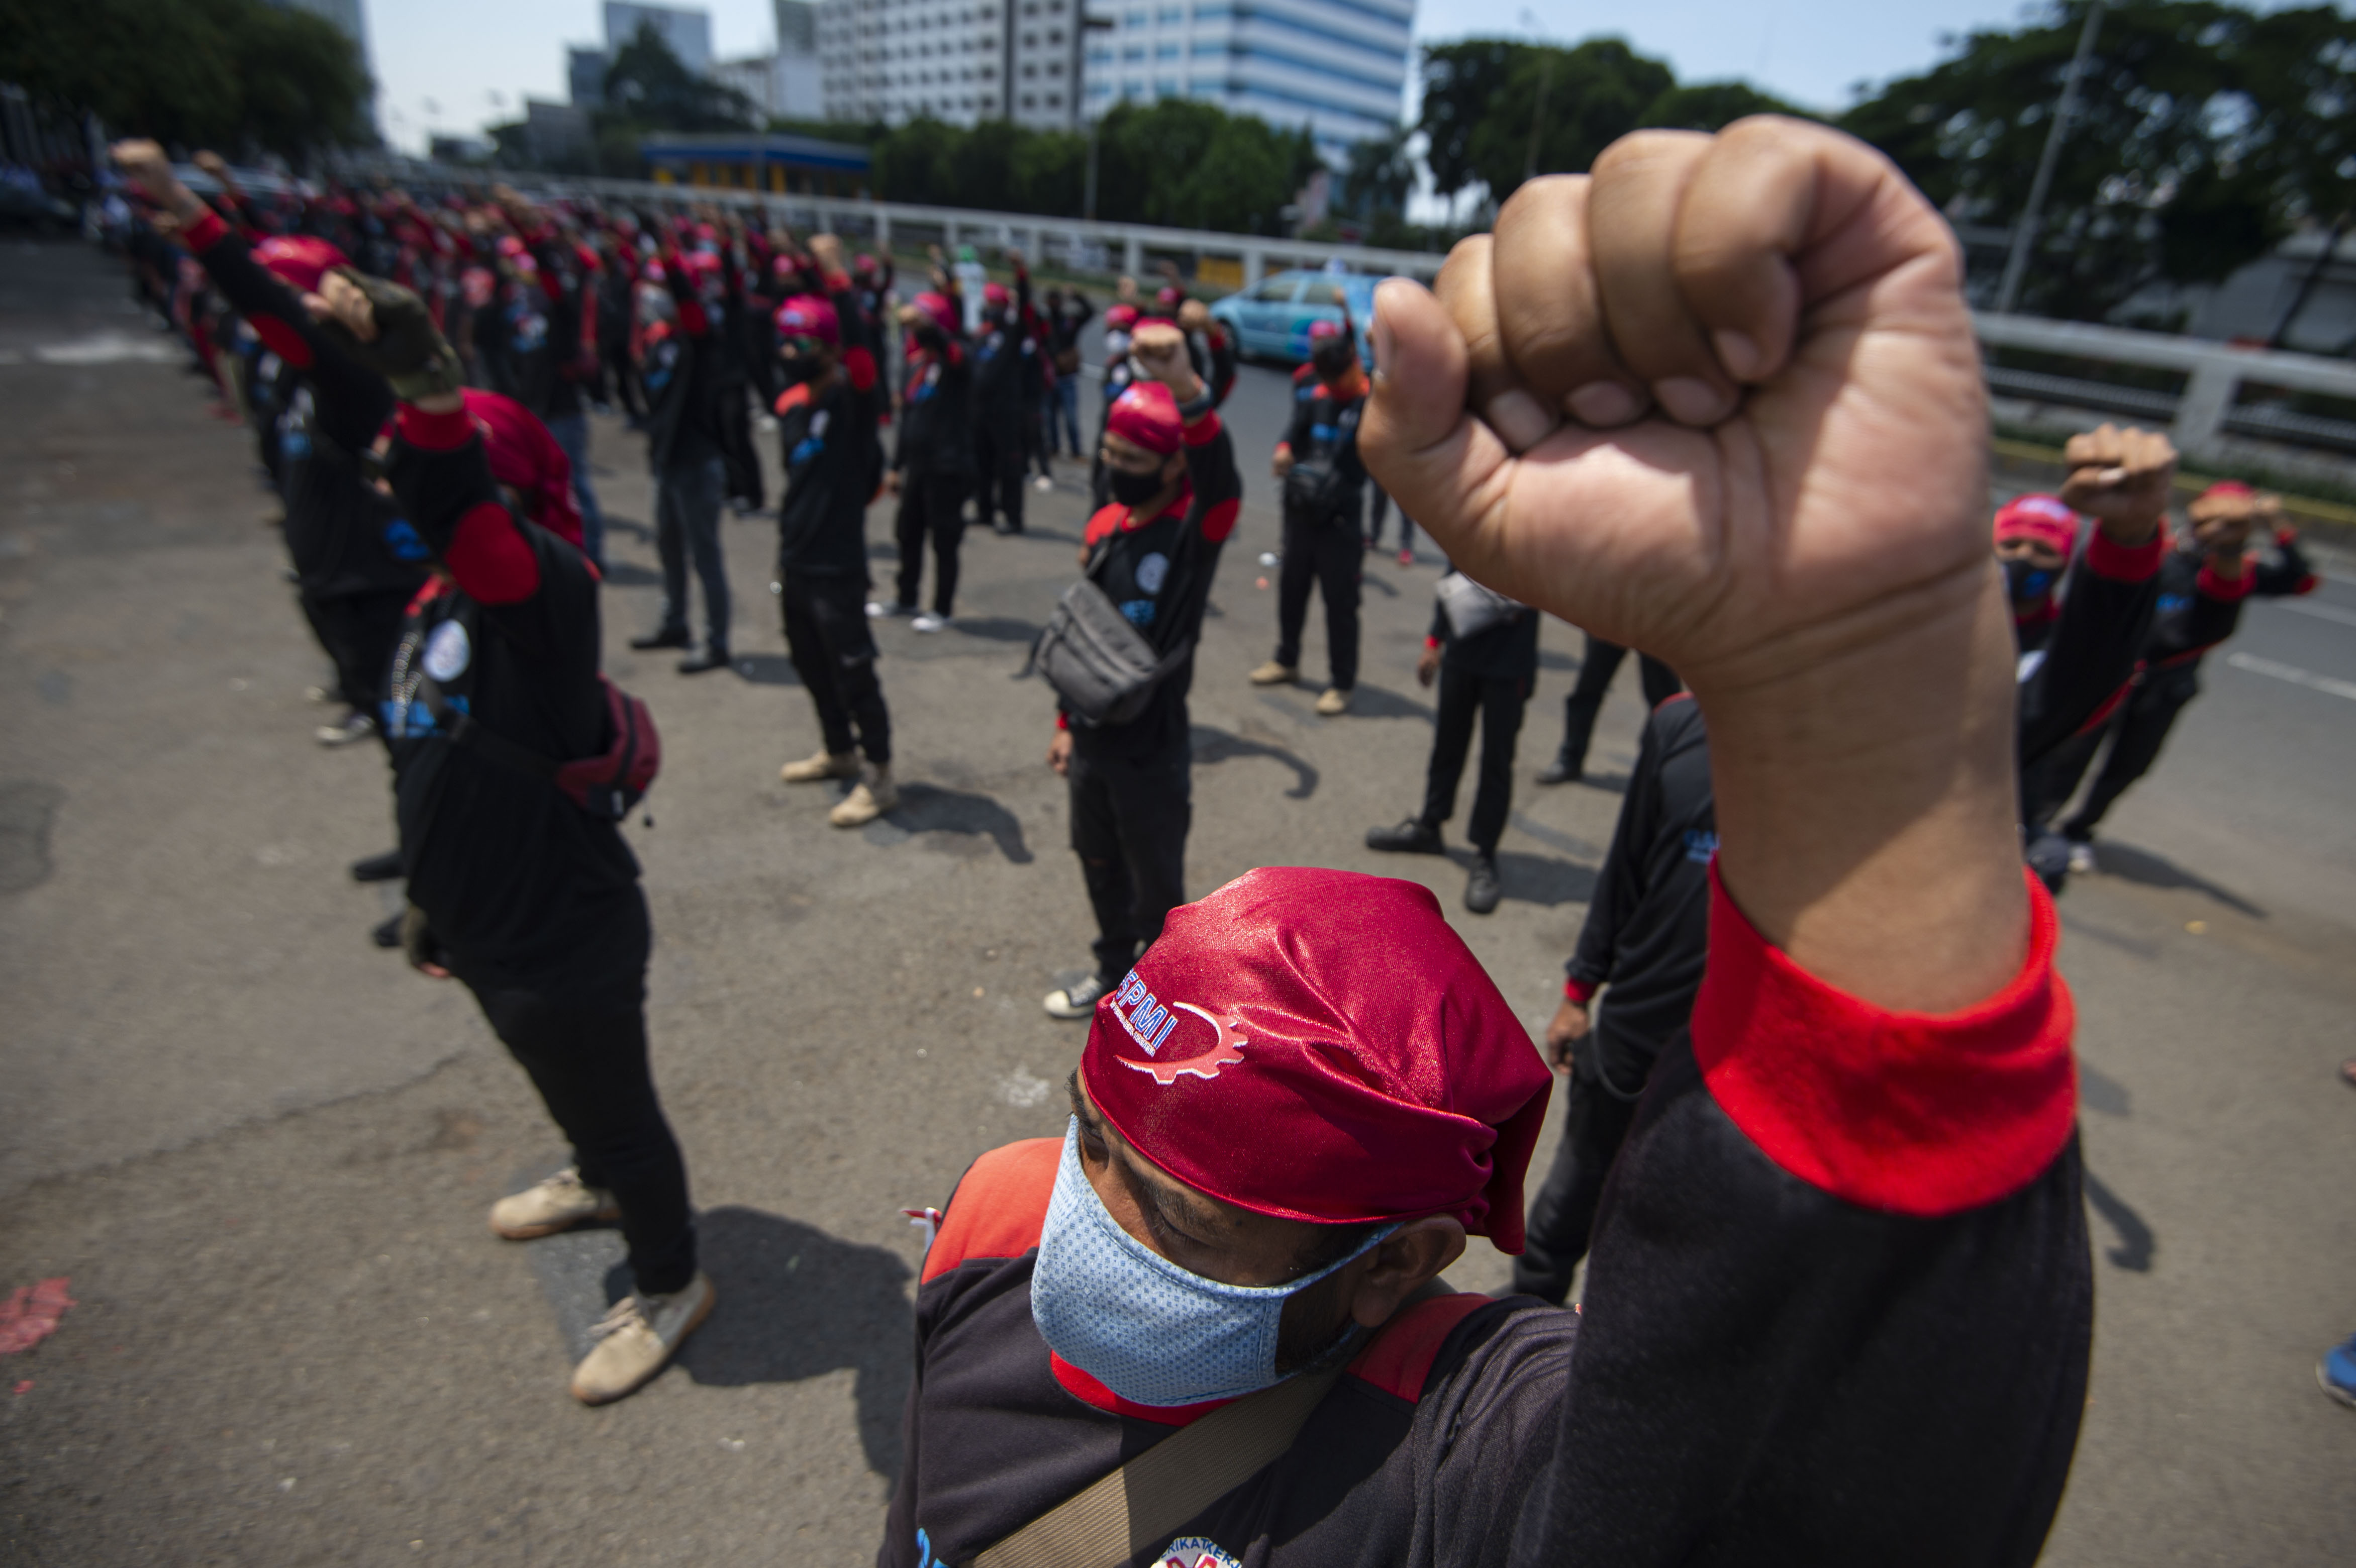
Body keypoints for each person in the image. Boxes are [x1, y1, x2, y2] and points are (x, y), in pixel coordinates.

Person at [889, 117, 2090, 1567]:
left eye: (1190, 1231)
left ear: (1395, 1266)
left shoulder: (1463, 1452)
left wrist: (1851, 684)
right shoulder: (998, 1226)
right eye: (1094, 1137)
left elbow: (1779, 1479)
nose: (1080, 1231)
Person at [294, 260, 712, 1407]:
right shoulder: (441, 597)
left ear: (504, 491)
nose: (390, 486)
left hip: (563, 934)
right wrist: (430, 892)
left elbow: (458, 510)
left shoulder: (547, 592)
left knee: (621, 1112)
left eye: (422, 471)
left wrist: (429, 386)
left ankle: (670, 1276)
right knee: (568, 1093)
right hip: (488, 923)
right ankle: (592, 1175)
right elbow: (427, 749)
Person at [121, 148, 430, 759]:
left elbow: (259, 295)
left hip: (367, 580)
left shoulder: (349, 375)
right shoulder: (295, 375)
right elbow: (254, 286)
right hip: (327, 571)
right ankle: (417, 837)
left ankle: (429, 847)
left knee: (411, 736)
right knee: (387, 722)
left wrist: (188, 206)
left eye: (300, 297)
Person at [1041, 331, 1240, 1021]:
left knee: (1157, 890)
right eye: (1111, 453)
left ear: (1170, 466)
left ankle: (1164, 1008)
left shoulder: (1194, 534)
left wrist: (1185, 382)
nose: (1116, 465)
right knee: (1096, 863)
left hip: (1152, 754)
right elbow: (1086, 644)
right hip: (1093, 745)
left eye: (1133, 458)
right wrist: (1067, 726)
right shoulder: (1107, 526)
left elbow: (1221, 475)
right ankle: (1110, 974)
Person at [2032, 485, 2303, 873]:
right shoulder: (2159, 554)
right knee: (2068, 754)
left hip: (2167, 687)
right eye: (2214, 519)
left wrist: (2276, 526)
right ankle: (2036, 823)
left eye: (2232, 524)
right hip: (2113, 675)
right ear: (2196, 512)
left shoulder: (2234, 571)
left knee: (2130, 765)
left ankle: (2080, 830)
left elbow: (2300, 580)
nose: (2218, 529)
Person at [768, 247, 900, 830]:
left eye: (801, 344)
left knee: (853, 672)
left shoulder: (850, 402)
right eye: (785, 342)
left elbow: (862, 355)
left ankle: (878, 778)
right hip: (795, 559)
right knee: (811, 664)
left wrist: (839, 284)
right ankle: (837, 750)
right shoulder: (796, 407)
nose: (788, 354)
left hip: (837, 566)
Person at [1363, 571, 1537, 913]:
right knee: (1447, 745)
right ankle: (1430, 826)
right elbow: (1452, 579)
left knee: (1496, 762)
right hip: (1462, 652)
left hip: (1509, 664)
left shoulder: (1540, 533)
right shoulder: (1476, 524)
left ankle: (1485, 854)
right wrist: (1433, 641)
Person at [1251, 320, 1367, 716]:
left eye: (1340, 377)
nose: (1334, 386)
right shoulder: (1316, 396)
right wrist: (1284, 449)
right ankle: (1286, 660)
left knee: (1341, 605)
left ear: (1354, 364)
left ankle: (1342, 682)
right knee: (1292, 591)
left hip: (1340, 521)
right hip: (1302, 514)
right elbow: (1293, 432)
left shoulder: (1370, 404)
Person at [630, 247, 736, 673]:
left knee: (704, 555)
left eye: (664, 288)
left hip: (697, 464)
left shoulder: (701, 341)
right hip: (665, 461)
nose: (656, 296)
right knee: (668, 549)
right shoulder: (659, 341)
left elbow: (692, 311)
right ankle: (675, 622)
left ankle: (717, 641)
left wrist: (672, 263)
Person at [882, 282, 975, 632]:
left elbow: (951, 348)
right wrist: (895, 467)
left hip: (948, 466)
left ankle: (942, 607)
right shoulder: (915, 364)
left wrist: (930, 325)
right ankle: (906, 597)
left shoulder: (956, 360)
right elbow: (908, 420)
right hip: (918, 467)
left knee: (945, 539)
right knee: (908, 531)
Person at [1533, 633, 1681, 786]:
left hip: (1655, 625)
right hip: (1614, 621)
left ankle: (1662, 767)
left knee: (1666, 704)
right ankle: (1570, 758)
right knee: (1587, 690)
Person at [972, 263, 1042, 537]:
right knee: (982, 462)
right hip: (981, 411)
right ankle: (984, 510)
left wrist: (1021, 278)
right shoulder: (980, 336)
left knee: (1009, 467)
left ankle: (1013, 517)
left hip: (1007, 412)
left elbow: (1025, 310)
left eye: (996, 304)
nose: (991, 309)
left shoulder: (1013, 335)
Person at [1040, 282, 1094, 462]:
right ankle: (1054, 448)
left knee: (1071, 417)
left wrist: (1077, 296)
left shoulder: (1068, 321)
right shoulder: (1045, 322)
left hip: (1067, 376)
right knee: (1050, 417)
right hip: (1049, 377)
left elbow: (1089, 312)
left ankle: (1076, 451)